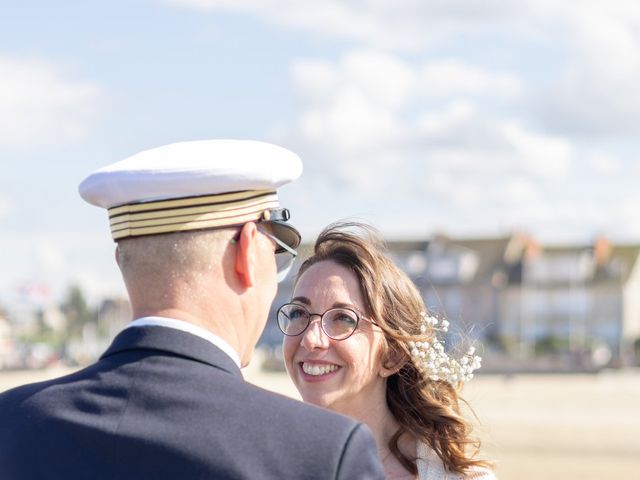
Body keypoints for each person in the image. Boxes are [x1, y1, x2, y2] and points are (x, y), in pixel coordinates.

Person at [0, 141, 385, 479]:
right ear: (249, 253)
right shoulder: (322, 452)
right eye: (275, 256)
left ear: (121, 261)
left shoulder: (11, 423)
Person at [279, 221, 496, 480]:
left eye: (343, 318)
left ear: (393, 355)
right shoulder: (263, 464)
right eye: (298, 313)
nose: (311, 339)